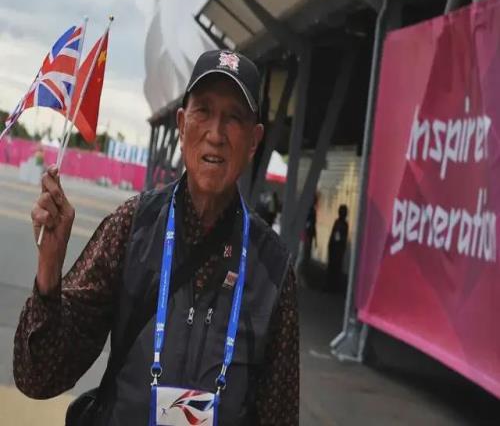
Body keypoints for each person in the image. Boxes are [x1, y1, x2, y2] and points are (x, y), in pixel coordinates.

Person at [13, 50, 299, 425]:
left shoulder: (273, 267)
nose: (215, 134)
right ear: (181, 124)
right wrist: (49, 272)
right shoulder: (133, 226)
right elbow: (39, 376)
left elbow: (280, 416)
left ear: (254, 140)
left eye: (234, 118)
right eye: (203, 111)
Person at [326, 204, 349, 292]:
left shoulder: (343, 224)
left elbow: (340, 237)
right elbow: (334, 235)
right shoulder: (339, 223)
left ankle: (333, 287)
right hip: (335, 248)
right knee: (332, 267)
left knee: (336, 268)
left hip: (338, 248)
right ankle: (330, 286)